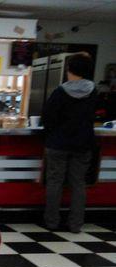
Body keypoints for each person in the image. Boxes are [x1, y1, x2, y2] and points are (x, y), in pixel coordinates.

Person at [42, 53, 97, 233]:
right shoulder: (93, 91)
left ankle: (51, 222)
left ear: (69, 69)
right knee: (79, 184)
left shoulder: (60, 92)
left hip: (58, 144)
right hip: (83, 144)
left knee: (55, 182)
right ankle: (75, 224)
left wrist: (51, 135)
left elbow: (48, 118)